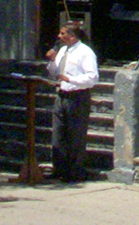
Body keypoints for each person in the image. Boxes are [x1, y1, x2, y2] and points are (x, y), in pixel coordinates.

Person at [46, 20, 98, 183]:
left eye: (63, 33)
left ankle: (75, 171)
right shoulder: (62, 50)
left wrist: (71, 79)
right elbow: (55, 72)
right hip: (61, 95)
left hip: (77, 96)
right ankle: (59, 169)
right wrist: (52, 61)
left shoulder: (85, 52)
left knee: (75, 135)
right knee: (59, 133)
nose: (59, 36)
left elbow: (92, 78)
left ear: (72, 36)